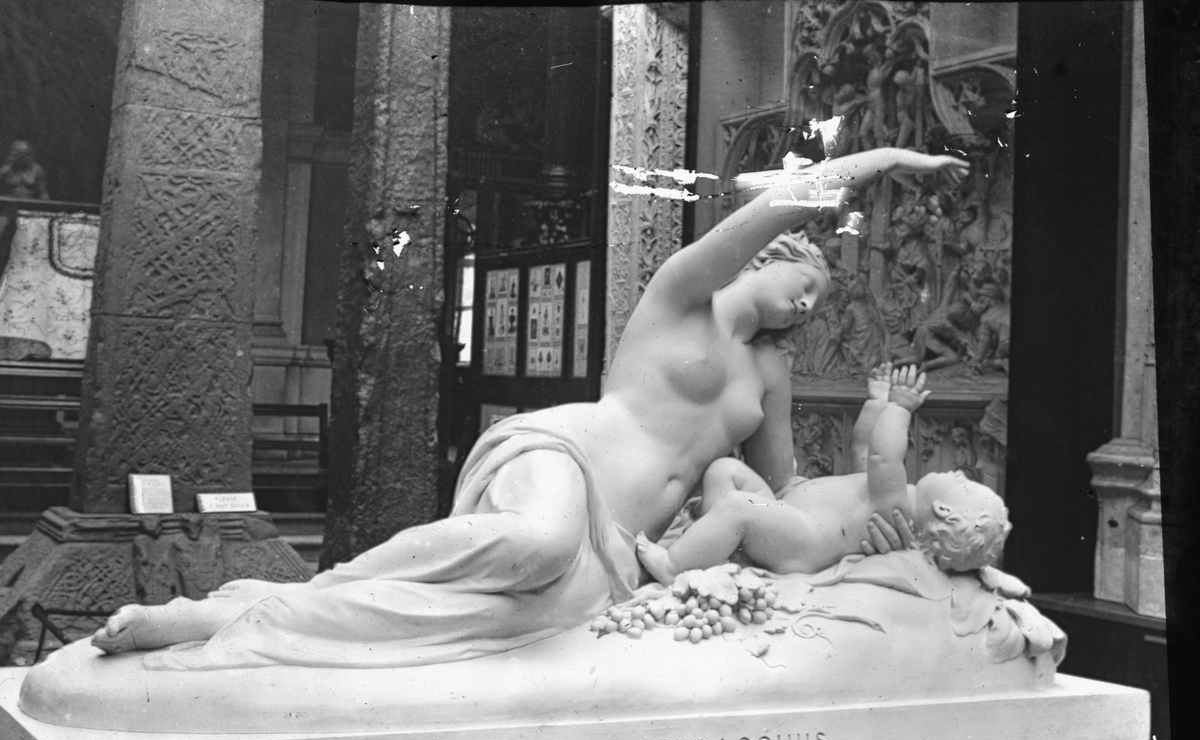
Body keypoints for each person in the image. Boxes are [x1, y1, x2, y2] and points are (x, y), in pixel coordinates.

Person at [93, 146, 968, 669]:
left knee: (444, 625)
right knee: (536, 541)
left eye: (818, 302)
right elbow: (772, 207)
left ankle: (239, 614)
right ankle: (291, 596)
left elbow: (781, 491)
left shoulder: (769, 374)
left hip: (616, 552)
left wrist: (870, 516)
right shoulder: (681, 296)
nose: (807, 305)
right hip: (566, 460)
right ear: (767, 259)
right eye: (804, 282)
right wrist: (876, 163)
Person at [636, 362, 1010, 581]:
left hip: (800, 540)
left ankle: (675, 565)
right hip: (787, 510)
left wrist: (899, 408)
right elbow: (863, 448)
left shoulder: (898, 507)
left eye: (962, 483)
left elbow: (883, 457)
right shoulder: (890, 497)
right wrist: (875, 403)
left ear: (942, 509)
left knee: (737, 506)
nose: (958, 474)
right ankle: (719, 548)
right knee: (726, 470)